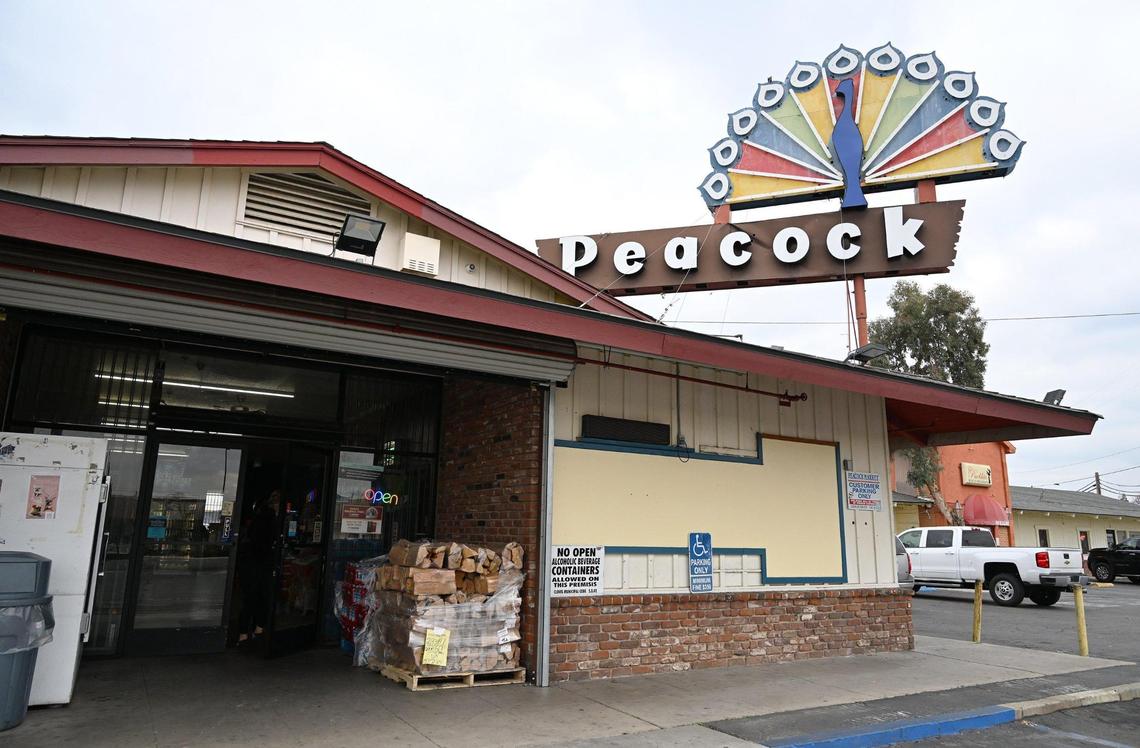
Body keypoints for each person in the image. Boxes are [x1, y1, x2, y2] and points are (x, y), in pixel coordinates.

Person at [236, 489, 279, 644]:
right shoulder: (271, 519)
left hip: (251, 563)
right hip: (260, 563)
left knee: (250, 598)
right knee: (262, 596)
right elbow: (270, 540)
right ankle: (257, 629)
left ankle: (243, 633)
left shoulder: (259, 517)